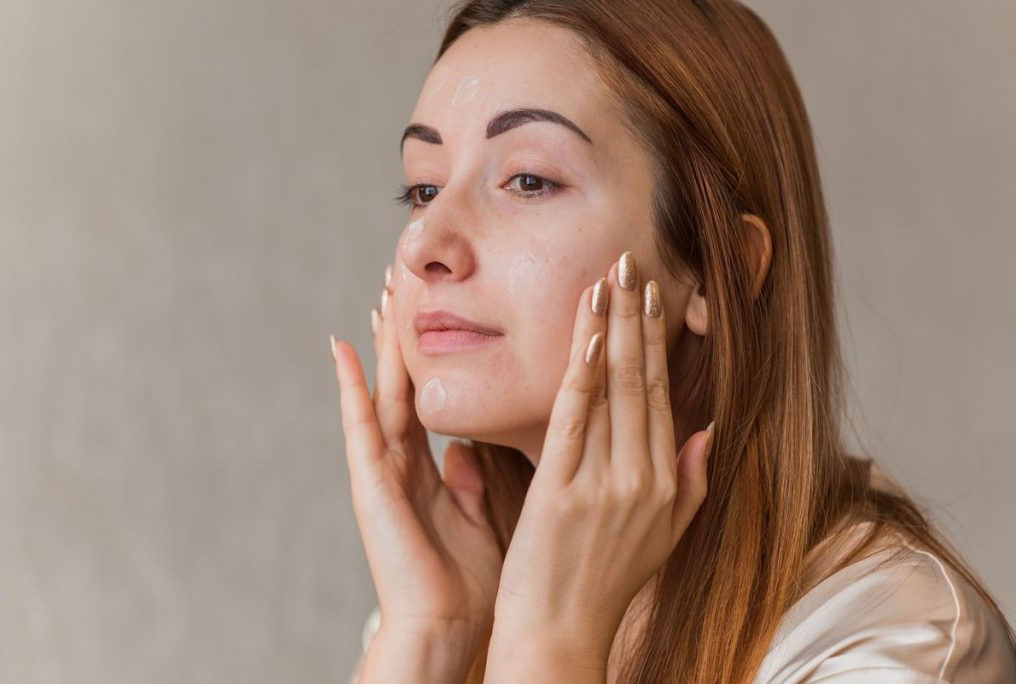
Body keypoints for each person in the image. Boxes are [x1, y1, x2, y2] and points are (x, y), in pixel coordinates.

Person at [331, 1, 1016, 681]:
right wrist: (424, 638)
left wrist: (551, 646)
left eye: (529, 181)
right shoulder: (449, 609)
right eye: (423, 188)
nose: (423, 243)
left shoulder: (900, 650)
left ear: (717, 275)